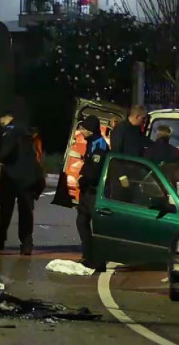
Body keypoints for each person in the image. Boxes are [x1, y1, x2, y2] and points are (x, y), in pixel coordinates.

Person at [0, 112, 44, 255]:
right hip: (28, 177)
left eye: (1, 120)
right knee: (26, 211)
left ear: (6, 117)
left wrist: (0, 158)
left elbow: (6, 152)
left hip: (10, 177)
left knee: (5, 210)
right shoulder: (26, 130)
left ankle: (0, 239)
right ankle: (26, 243)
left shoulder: (10, 130)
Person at [76, 115, 109, 270]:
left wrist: (83, 179)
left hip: (94, 190)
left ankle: (96, 260)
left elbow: (95, 169)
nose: (81, 131)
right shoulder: (91, 142)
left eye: (83, 128)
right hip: (87, 190)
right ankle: (87, 256)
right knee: (81, 222)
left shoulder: (99, 143)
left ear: (90, 129)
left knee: (93, 225)